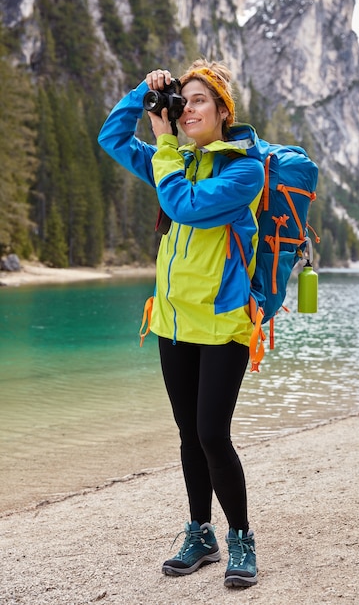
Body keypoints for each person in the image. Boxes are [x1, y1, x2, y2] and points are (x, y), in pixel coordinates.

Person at [98, 58, 269, 588]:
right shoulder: (172, 157)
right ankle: (201, 532)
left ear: (222, 111)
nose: (186, 109)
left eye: (199, 101)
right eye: (182, 100)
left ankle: (240, 536)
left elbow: (185, 205)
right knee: (187, 434)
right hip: (172, 321)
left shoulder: (245, 169)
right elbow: (111, 136)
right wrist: (142, 93)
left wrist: (166, 143)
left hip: (222, 323)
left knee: (212, 433)